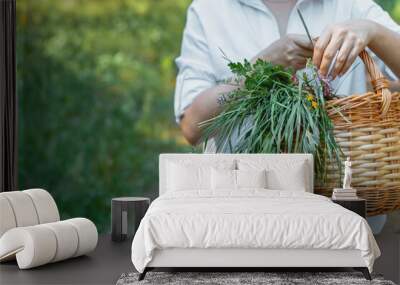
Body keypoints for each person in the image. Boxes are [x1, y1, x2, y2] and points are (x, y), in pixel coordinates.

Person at [174, 0, 400, 150]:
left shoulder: (349, 4)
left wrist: (374, 31)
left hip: (340, 204)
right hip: (241, 204)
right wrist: (261, 68)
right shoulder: (209, 9)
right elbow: (193, 127)